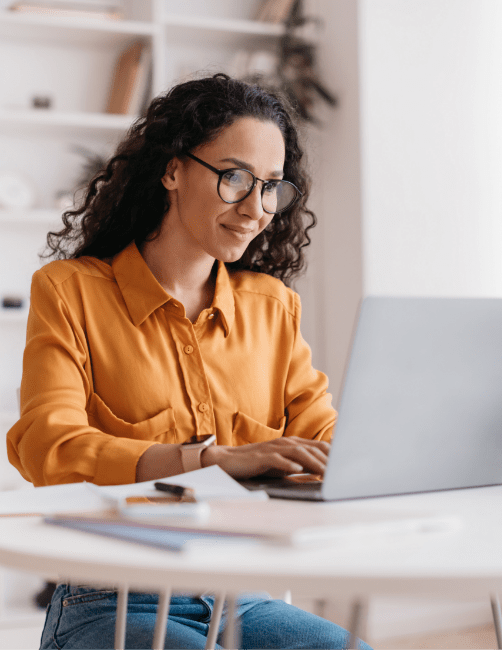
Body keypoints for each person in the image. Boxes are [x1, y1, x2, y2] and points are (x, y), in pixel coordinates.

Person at [6, 73, 373, 649]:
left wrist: (379, 454)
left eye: (272, 186)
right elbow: (47, 446)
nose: (256, 208)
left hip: (244, 595)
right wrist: (209, 459)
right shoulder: (70, 290)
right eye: (235, 178)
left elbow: (321, 440)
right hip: (110, 598)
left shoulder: (272, 308)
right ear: (173, 170)